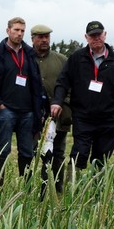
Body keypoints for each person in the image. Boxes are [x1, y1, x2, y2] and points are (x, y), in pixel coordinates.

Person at [51, 21, 114, 170]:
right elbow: (63, 82)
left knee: (101, 159)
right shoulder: (76, 58)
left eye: (99, 35)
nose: (96, 38)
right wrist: (57, 101)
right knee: (79, 154)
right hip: (83, 117)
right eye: (92, 36)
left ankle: (97, 190)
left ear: (105, 35)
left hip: (109, 120)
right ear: (86, 37)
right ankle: (74, 188)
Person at [0, 17, 45, 181]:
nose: (19, 34)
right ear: (8, 30)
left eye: (22, 31)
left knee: (27, 152)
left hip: (27, 112)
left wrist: (37, 109)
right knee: (3, 150)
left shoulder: (30, 54)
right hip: (6, 110)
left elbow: (36, 83)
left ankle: (26, 187)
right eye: (16, 30)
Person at [30, 24, 71, 193]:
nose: (44, 40)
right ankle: (39, 188)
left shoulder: (61, 60)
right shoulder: (26, 58)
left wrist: (63, 103)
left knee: (58, 152)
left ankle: (58, 188)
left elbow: (71, 85)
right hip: (34, 116)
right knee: (37, 152)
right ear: (32, 39)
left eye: (47, 36)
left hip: (59, 115)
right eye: (40, 37)